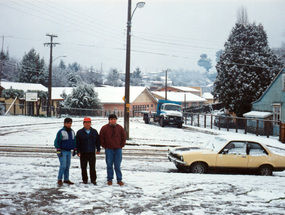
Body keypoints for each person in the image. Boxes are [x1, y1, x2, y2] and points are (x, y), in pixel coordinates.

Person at [99, 114, 126, 186]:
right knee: (109, 165)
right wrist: (105, 146)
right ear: (109, 120)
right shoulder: (104, 128)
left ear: (116, 120)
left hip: (118, 149)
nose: (113, 120)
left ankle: (119, 179)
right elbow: (101, 137)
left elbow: (124, 137)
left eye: (114, 119)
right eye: (111, 119)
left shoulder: (120, 128)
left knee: (117, 165)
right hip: (109, 149)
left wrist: (121, 145)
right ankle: (109, 179)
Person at [76, 117, 101, 185]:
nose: (87, 124)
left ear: (90, 123)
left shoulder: (94, 132)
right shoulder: (79, 132)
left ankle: (93, 179)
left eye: (88, 122)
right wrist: (78, 151)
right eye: (86, 122)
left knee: (92, 167)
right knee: (83, 167)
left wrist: (98, 149)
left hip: (92, 152)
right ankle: (85, 179)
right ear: (83, 123)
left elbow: (97, 141)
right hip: (83, 152)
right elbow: (77, 143)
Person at [54, 117, 76, 186]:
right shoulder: (61, 132)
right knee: (63, 166)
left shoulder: (72, 132)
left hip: (69, 151)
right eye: (67, 123)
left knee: (67, 166)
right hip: (62, 151)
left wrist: (75, 148)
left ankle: (66, 179)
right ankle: (59, 179)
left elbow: (74, 141)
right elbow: (57, 142)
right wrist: (58, 150)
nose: (69, 125)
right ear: (64, 123)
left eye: (70, 123)